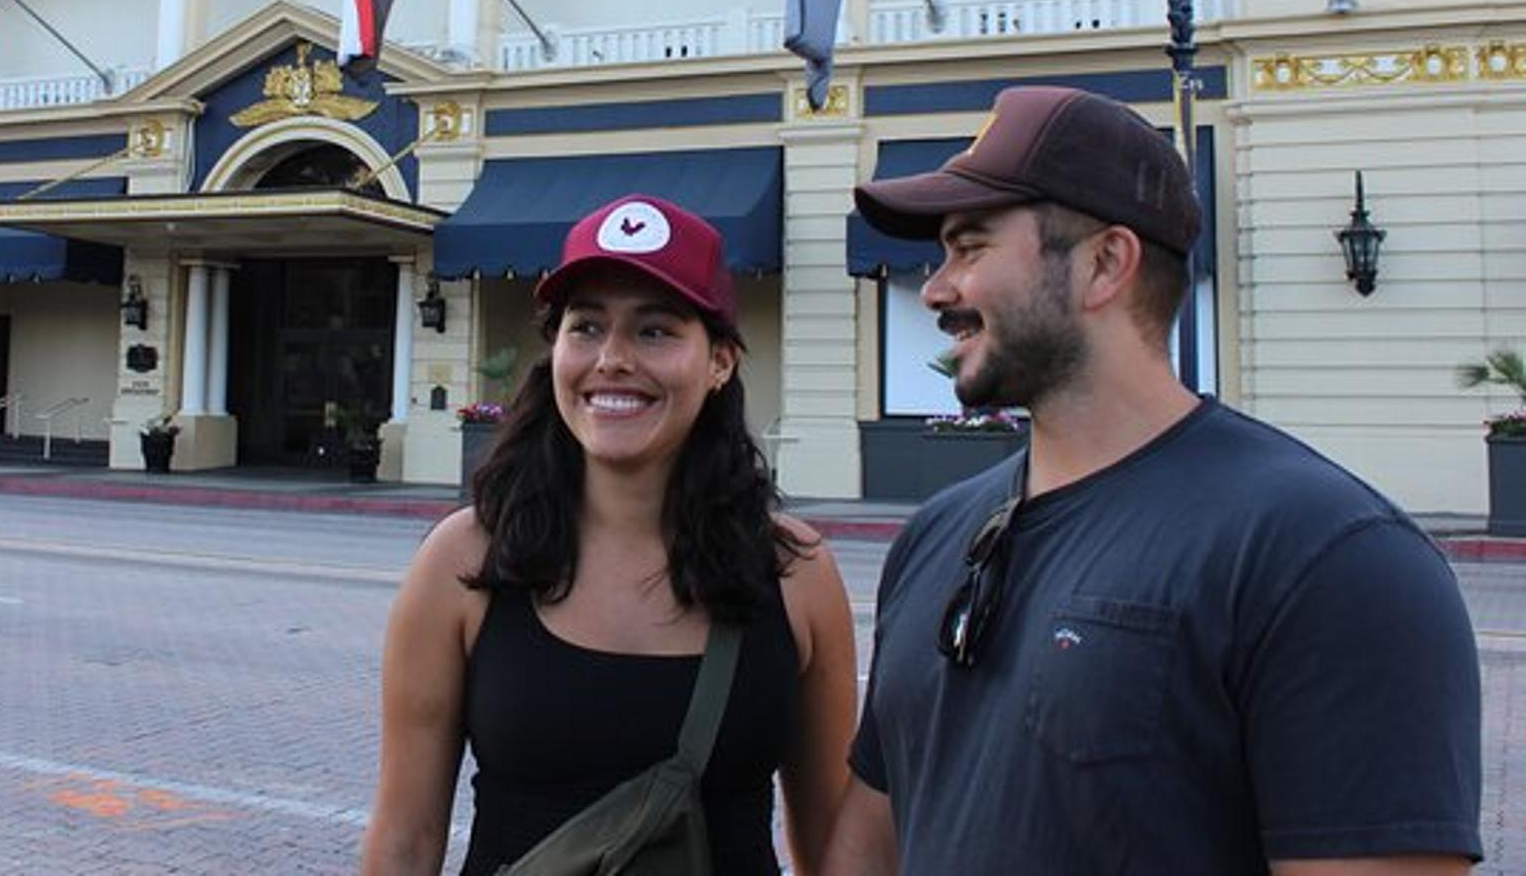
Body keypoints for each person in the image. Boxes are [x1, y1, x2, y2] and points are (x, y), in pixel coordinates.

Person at [825, 85, 1483, 874]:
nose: (935, 287)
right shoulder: (936, 535)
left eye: (969, 247)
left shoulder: (1326, 555)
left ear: (1105, 262)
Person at [362, 194, 859, 875]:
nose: (613, 359)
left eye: (655, 330)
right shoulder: (463, 559)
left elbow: (835, 842)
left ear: (719, 361)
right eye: (587, 327)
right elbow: (404, 841)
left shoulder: (797, 573)